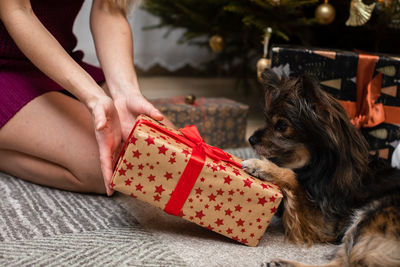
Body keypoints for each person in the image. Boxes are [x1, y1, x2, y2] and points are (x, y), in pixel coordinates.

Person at [0, 0, 171, 196]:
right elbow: (17, 11)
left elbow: (109, 8)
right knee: (108, 169)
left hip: (54, 59)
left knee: (164, 154)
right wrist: (94, 97)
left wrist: (125, 92)